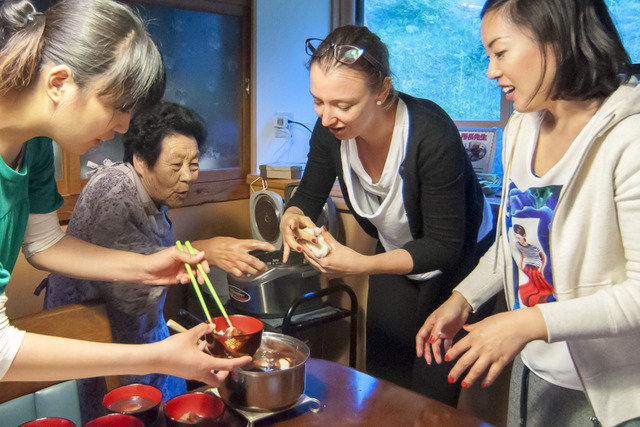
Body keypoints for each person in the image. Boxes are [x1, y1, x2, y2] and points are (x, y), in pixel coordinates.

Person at [0, 0, 251, 389]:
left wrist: (144, 267)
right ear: (59, 83)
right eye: (116, 106)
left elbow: (45, 243)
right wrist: (158, 356)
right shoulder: (111, 185)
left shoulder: (33, 147)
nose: (122, 126)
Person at [416, 0, 639, 425]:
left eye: (500, 52)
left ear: (555, 39)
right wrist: (464, 299)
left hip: (609, 390)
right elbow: (516, 241)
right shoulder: (522, 126)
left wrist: (526, 323)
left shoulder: (629, 138)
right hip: (536, 368)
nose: (491, 71)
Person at [279, 25, 494, 406]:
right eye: (318, 102)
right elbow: (309, 194)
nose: (327, 117)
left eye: (343, 105)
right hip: (394, 254)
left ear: (381, 90)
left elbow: (444, 246)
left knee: (431, 393)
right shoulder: (330, 131)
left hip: (457, 262)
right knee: (383, 381)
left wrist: (361, 263)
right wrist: (292, 215)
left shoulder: (430, 134)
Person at [41, 101, 274, 420]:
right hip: (91, 331)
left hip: (136, 329)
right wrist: (205, 248)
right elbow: (132, 292)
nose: (188, 177)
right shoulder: (114, 194)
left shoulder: (150, 192)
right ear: (140, 160)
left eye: (193, 163)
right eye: (176, 165)